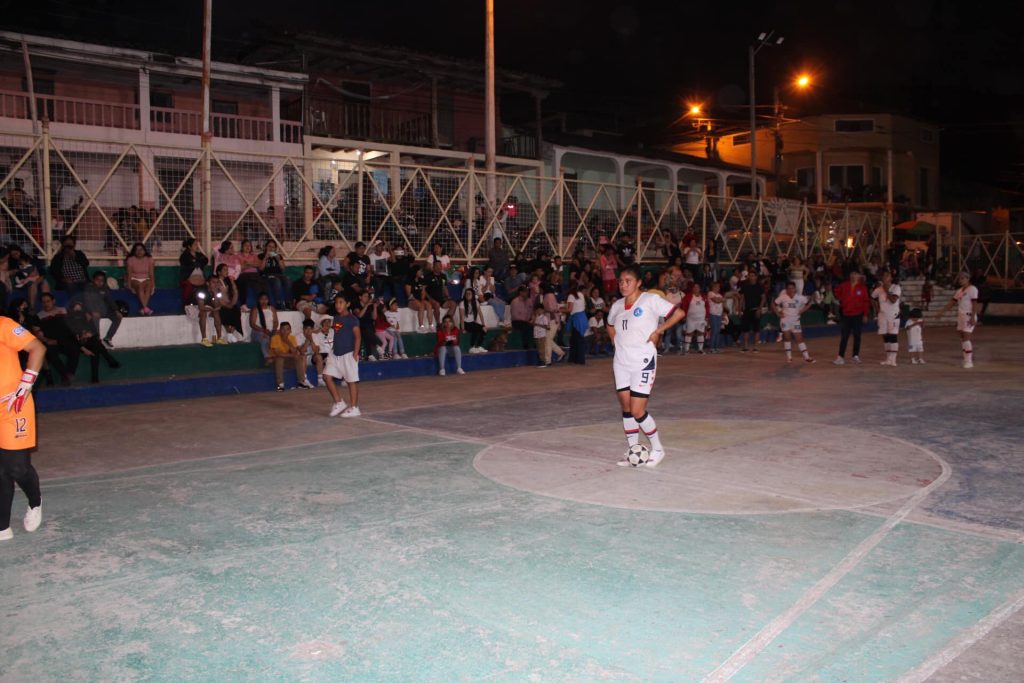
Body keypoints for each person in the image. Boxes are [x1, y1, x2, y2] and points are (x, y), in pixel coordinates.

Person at [607, 266, 686, 468]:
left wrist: (658, 330)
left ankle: (658, 449)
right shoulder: (617, 305)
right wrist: (615, 341)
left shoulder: (650, 300)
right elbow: (609, 325)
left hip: (642, 362)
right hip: (621, 363)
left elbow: (679, 313)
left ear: (638, 282)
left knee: (637, 410)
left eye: (628, 281)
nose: (623, 285)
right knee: (626, 408)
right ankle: (633, 449)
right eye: (621, 281)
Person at [0, 313, 45, 541]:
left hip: (13, 405)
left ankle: (35, 502)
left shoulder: (4, 325)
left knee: (16, 467)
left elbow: (37, 348)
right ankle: (2, 526)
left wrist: (23, 387)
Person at [324, 296, 361, 417]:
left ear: (348, 303)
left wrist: (355, 353)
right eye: (336, 303)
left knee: (351, 381)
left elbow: (358, 336)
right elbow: (337, 333)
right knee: (327, 376)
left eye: (341, 302)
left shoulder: (352, 319)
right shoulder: (336, 318)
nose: (338, 305)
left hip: (348, 354)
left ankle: (354, 408)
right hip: (335, 354)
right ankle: (339, 402)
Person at [941, 272, 979, 368]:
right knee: (962, 338)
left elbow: (974, 304)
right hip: (961, 316)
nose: (960, 280)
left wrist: (973, 317)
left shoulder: (972, 289)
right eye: (959, 279)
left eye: (962, 278)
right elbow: (952, 302)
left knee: (966, 337)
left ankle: (969, 361)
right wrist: (942, 311)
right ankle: (965, 359)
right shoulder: (959, 290)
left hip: (968, 315)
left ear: (968, 279)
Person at [833, 270, 870, 365]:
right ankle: (840, 357)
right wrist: (841, 300)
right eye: (852, 273)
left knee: (857, 336)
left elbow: (866, 302)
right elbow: (836, 292)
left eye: (856, 274)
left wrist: (865, 314)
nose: (854, 276)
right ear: (850, 275)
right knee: (844, 336)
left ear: (859, 276)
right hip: (846, 315)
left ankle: (855, 356)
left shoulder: (862, 288)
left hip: (858, 315)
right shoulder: (844, 285)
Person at [773, 281, 815, 363]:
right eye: (788, 288)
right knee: (787, 338)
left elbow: (809, 303)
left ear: (795, 289)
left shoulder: (800, 297)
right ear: (786, 289)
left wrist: (802, 311)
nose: (790, 290)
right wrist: (778, 313)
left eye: (792, 288)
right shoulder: (783, 297)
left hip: (796, 321)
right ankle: (789, 357)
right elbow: (773, 304)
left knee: (799, 339)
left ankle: (807, 357)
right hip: (785, 321)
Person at [79, 270, 122, 349]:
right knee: (95, 316)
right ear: (93, 279)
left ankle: (108, 338)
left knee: (118, 317)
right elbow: (86, 302)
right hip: (91, 311)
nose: (99, 282)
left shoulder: (104, 289)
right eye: (97, 280)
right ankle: (96, 339)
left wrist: (116, 310)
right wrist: (92, 311)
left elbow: (110, 300)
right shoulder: (88, 288)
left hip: (103, 310)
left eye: (102, 280)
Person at [268, 322, 314, 391]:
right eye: (283, 329)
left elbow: (295, 352)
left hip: (287, 361)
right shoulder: (275, 338)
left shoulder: (292, 338)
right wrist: (292, 355)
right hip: (274, 362)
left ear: (290, 331)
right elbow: (278, 354)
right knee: (280, 358)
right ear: (280, 330)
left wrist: (288, 341)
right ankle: (280, 384)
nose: (285, 331)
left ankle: (301, 382)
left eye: (287, 329)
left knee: (299, 358)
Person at [872, 270, 902, 366]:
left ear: (891, 278)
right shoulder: (878, 289)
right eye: (884, 276)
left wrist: (885, 289)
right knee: (885, 336)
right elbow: (872, 298)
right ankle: (888, 358)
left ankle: (893, 359)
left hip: (893, 315)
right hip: (883, 315)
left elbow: (893, 300)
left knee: (893, 336)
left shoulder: (896, 288)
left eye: (887, 276)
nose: (885, 277)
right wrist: (877, 309)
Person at [124, 242, 155, 315]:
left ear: (144, 250)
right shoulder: (130, 259)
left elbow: (151, 273)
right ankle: (146, 308)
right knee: (140, 286)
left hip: (146, 278)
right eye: (137, 250)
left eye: (141, 249)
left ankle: (144, 308)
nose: (139, 251)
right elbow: (129, 274)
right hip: (134, 279)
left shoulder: (149, 259)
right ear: (134, 251)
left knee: (149, 285)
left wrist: (153, 286)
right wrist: (129, 286)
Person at [738, 271, 764, 353]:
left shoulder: (759, 287)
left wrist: (759, 309)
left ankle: (755, 347)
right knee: (745, 329)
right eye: (750, 276)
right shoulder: (745, 286)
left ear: (756, 277)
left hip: (756, 310)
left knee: (756, 329)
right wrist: (739, 309)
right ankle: (745, 347)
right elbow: (742, 299)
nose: (751, 277)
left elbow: (763, 298)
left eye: (753, 275)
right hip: (747, 310)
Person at [680, 281, 709, 354]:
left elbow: (707, 307)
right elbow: (684, 307)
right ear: (692, 288)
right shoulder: (688, 297)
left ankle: (700, 349)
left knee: (701, 333)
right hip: (691, 319)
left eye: (697, 287)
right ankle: (686, 350)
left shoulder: (704, 297)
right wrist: (684, 316)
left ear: (700, 288)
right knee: (689, 333)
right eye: (695, 287)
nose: (696, 288)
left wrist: (707, 317)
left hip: (701, 318)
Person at [259, 241, 289, 310]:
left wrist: (278, 260)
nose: (271, 248)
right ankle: (278, 303)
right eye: (269, 246)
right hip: (266, 275)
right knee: (276, 281)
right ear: (266, 247)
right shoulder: (261, 255)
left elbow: (283, 268)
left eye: (273, 247)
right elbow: (261, 269)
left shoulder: (279, 256)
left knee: (287, 279)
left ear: (275, 249)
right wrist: (265, 258)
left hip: (278, 274)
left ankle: (288, 302)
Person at [179, 238, 208, 308]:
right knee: (188, 286)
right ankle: (186, 305)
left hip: (200, 278)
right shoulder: (184, 256)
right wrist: (196, 262)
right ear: (189, 246)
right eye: (195, 245)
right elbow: (189, 263)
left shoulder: (199, 255)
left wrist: (196, 261)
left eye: (197, 244)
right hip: (188, 278)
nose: (197, 246)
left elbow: (206, 260)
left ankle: (207, 303)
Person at [457, 287, 487, 354]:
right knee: (476, 330)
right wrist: (463, 328)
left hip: (472, 322)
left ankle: (479, 346)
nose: (467, 295)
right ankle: (472, 347)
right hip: (465, 323)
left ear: (473, 295)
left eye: (469, 294)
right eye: (466, 294)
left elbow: (480, 314)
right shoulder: (462, 303)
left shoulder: (476, 302)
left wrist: (483, 325)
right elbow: (461, 317)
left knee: (484, 330)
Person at [249, 293, 278, 360]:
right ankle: (267, 356)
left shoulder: (272, 309)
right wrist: (263, 330)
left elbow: (275, 322)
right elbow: (252, 324)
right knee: (264, 337)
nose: (264, 301)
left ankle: (278, 355)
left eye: (265, 299)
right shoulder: (255, 310)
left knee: (279, 335)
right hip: (258, 331)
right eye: (262, 299)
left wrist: (274, 330)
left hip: (270, 331)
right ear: (258, 300)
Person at [564, 283, 588, 364]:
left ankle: (579, 359)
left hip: (576, 320)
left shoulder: (571, 296)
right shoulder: (581, 294)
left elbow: (569, 309)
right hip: (582, 317)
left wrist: (559, 310)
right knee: (575, 339)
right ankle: (574, 358)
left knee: (578, 340)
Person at [707, 281, 725, 353]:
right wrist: (721, 300)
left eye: (719, 286)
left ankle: (716, 347)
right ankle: (711, 347)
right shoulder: (710, 293)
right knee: (714, 331)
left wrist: (723, 314)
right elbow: (716, 301)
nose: (718, 288)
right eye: (717, 286)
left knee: (718, 331)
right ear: (713, 287)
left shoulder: (720, 295)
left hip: (719, 314)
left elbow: (721, 304)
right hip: (713, 314)